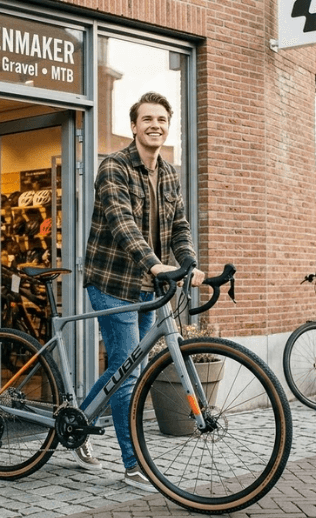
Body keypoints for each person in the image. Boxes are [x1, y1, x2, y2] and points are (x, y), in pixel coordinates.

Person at [75, 92, 205, 491]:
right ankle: (133, 465)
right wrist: (153, 262)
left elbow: (180, 226)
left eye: (162, 119)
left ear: (168, 126)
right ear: (134, 126)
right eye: (147, 119)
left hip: (150, 286)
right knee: (127, 375)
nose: (155, 125)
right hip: (112, 282)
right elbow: (121, 222)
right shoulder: (113, 167)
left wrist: (188, 263)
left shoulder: (168, 174)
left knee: (124, 367)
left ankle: (78, 423)